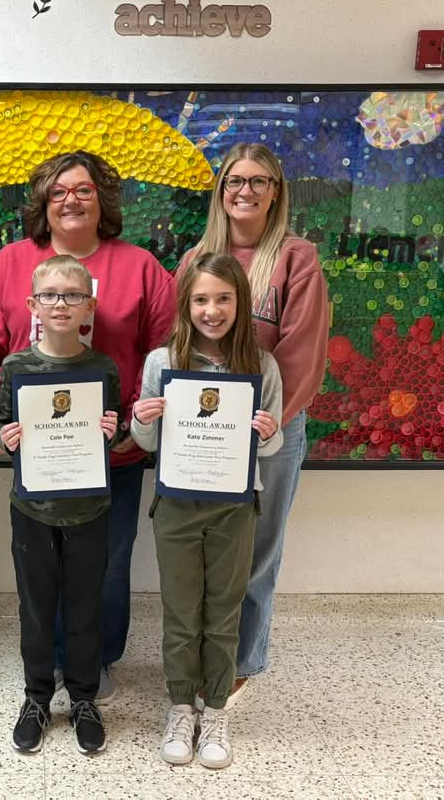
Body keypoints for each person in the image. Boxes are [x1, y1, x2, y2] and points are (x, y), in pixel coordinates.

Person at [0, 151, 176, 702]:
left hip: (113, 455)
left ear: (102, 199)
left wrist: (137, 422)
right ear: (42, 204)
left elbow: (168, 354)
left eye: (83, 190)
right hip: (37, 454)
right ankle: (46, 663)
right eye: (58, 192)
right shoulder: (9, 265)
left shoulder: (140, 267)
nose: (71, 200)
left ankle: (95, 660)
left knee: (104, 563)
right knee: (41, 566)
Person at [178, 142, 329, 705]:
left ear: (275, 191)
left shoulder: (296, 258)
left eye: (258, 181)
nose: (245, 191)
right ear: (221, 191)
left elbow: (302, 353)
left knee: (257, 550)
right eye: (235, 180)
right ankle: (197, 652)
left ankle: (240, 660)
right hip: (204, 430)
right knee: (202, 547)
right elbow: (176, 347)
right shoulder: (196, 258)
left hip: (270, 431)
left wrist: (265, 425)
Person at [131, 253, 283, 768]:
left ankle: (214, 709)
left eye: (223, 298)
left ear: (240, 302)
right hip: (175, 503)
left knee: (223, 611)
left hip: (234, 508)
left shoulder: (261, 366)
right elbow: (145, 439)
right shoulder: (162, 362)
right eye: (201, 299)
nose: (212, 310)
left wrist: (268, 432)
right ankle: (179, 705)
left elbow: (268, 448)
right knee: (180, 611)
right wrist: (141, 417)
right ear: (185, 304)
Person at [0, 255, 122, 755]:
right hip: (32, 510)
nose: (61, 304)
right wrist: (8, 435)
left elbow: (110, 434)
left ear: (89, 304)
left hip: (89, 508)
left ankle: (85, 699)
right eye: (50, 296)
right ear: (33, 305)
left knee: (87, 607)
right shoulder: (16, 367)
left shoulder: (101, 367)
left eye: (73, 294)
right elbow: (4, 429)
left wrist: (114, 432)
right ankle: (37, 698)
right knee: (37, 608)